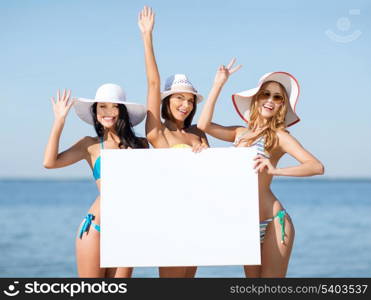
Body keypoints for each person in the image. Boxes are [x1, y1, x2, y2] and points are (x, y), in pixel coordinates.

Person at [197, 61, 324, 277]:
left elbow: (316, 166)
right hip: (245, 221)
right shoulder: (239, 133)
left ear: (281, 105)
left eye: (277, 97)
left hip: (273, 221)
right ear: (257, 99)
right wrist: (218, 84)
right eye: (266, 94)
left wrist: (275, 171)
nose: (270, 100)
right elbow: (203, 126)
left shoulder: (280, 137)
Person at [43, 83, 148, 277]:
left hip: (127, 228)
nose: (108, 112)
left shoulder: (141, 145)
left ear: (122, 111)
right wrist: (59, 121)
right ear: (95, 111)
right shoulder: (90, 145)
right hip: (96, 228)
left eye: (114, 106)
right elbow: (50, 162)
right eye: (102, 106)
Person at [138, 6, 208, 277]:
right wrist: (147, 37)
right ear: (167, 101)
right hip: (169, 215)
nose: (186, 104)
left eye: (190, 100)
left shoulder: (198, 135)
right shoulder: (158, 133)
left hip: (198, 213)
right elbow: (153, 83)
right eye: (179, 97)